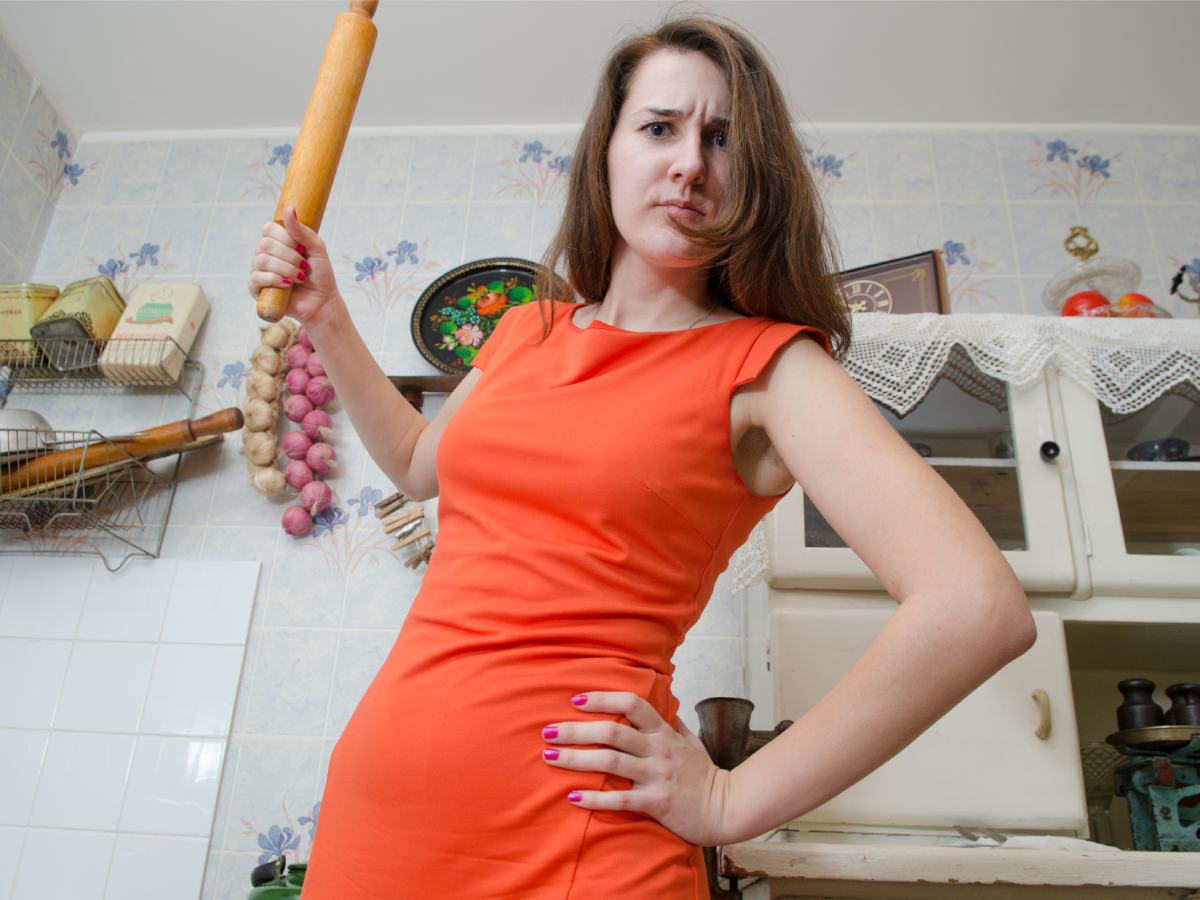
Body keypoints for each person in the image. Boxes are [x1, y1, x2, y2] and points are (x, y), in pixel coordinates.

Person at [247, 14, 1036, 899]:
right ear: (607, 153)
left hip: (576, 840)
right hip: (378, 820)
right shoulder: (525, 332)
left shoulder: (771, 368)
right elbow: (416, 463)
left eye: (722, 139)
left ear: (753, 177)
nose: (690, 162)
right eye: (660, 127)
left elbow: (976, 606)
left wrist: (732, 798)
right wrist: (327, 315)